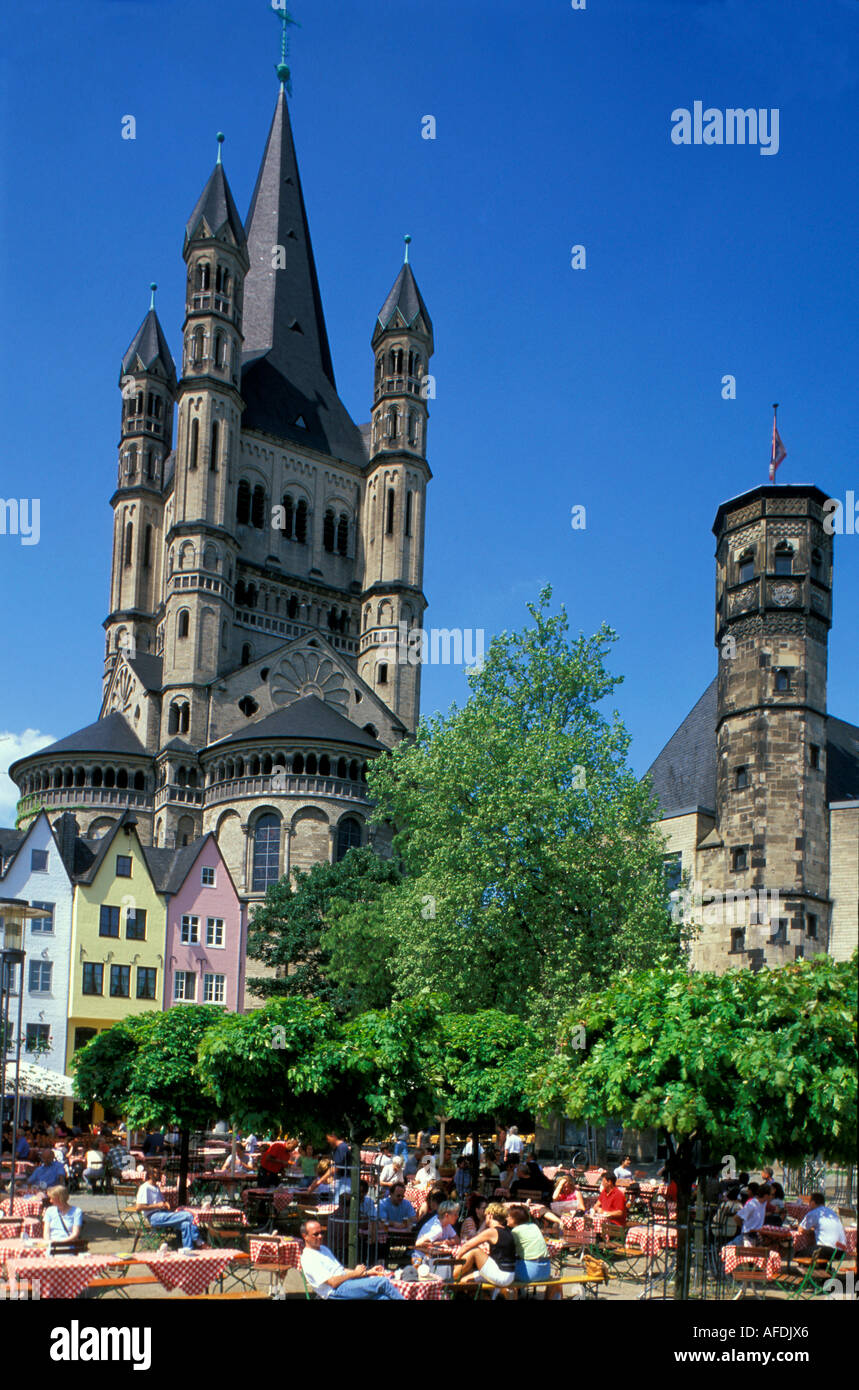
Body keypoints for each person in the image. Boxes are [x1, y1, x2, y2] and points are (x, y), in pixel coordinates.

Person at [299, 1218, 404, 1299]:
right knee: (382, 1282)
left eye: (321, 1233)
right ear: (305, 1236)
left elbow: (341, 1270)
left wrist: (367, 1272)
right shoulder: (309, 1258)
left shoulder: (323, 1249)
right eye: (315, 1234)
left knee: (383, 1298)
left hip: (345, 1285)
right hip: (335, 1291)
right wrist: (355, 1274)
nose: (320, 1236)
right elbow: (332, 1282)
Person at [135, 1165, 204, 1251]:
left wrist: (166, 1204)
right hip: (154, 1217)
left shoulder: (156, 1187)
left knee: (186, 1224)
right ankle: (199, 1242)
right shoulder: (145, 1188)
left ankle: (188, 1249)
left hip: (163, 1213)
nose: (159, 1175)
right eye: (157, 1173)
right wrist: (158, 1205)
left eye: (160, 1173)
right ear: (150, 1175)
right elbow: (138, 1207)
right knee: (189, 1215)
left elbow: (162, 1204)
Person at [454, 1202, 517, 1288]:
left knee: (475, 1251)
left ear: (490, 1216)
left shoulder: (492, 1231)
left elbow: (468, 1245)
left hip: (501, 1275)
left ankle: (452, 1277)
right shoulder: (507, 1231)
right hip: (509, 1275)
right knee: (464, 1280)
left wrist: (457, 1258)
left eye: (486, 1216)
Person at [507, 1204, 551, 1284]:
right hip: (546, 1271)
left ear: (514, 1219)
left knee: (505, 1273)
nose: (506, 1218)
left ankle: (509, 1296)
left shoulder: (515, 1231)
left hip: (530, 1273)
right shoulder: (534, 1226)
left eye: (508, 1216)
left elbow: (508, 1252)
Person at [798, 1194, 846, 1264]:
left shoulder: (814, 1213)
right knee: (815, 1249)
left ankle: (810, 1271)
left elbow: (801, 1229)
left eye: (809, 1202)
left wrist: (810, 1231)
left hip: (826, 1250)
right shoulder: (832, 1213)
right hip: (840, 1252)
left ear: (813, 1203)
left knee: (799, 1254)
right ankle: (824, 1268)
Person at [42, 1185, 83, 1251]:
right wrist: (49, 1243)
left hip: (68, 1245)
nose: (50, 1201)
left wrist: (60, 1243)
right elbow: (46, 1232)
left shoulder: (77, 1211)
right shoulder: (49, 1210)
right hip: (51, 1245)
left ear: (59, 1198)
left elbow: (75, 1234)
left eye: (52, 1198)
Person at [326, 1132, 351, 1200]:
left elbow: (336, 1167)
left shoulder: (342, 1148)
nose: (328, 1141)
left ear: (333, 1135)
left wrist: (320, 1181)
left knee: (339, 1203)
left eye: (328, 1138)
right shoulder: (338, 1148)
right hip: (341, 1180)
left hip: (344, 1181)